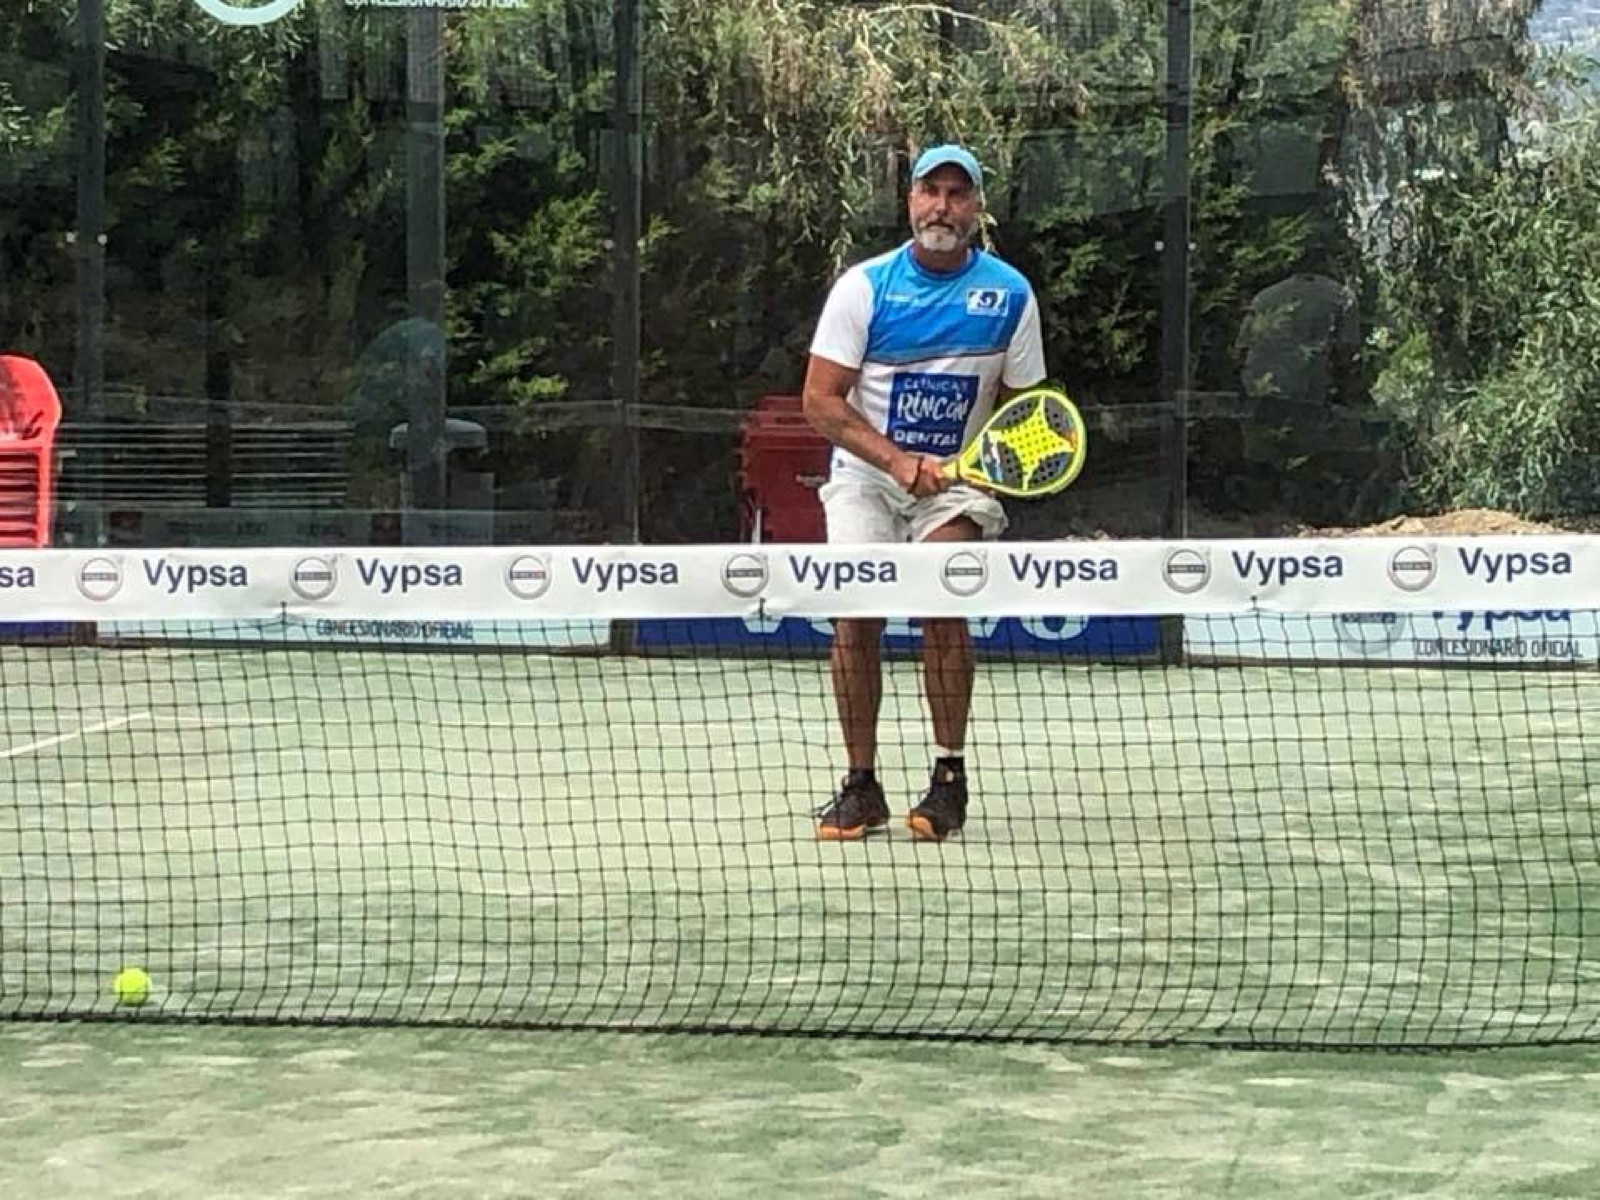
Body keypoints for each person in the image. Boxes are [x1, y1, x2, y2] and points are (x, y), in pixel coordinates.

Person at [801, 143, 1047, 843]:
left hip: (957, 488)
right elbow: (820, 401)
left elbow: (1026, 411)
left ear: (976, 209)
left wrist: (984, 464)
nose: (942, 206)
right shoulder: (864, 288)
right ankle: (861, 784)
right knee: (857, 616)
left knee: (942, 597)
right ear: (910, 201)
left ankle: (948, 777)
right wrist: (896, 461)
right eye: (930, 191)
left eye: (956, 194)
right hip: (865, 478)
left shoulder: (1010, 295)